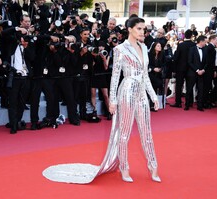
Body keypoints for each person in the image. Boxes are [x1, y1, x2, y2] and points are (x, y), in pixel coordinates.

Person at [42, 17, 161, 184]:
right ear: (130, 29)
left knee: (146, 132)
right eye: (139, 29)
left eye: (144, 29)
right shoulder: (120, 49)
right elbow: (114, 77)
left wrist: (153, 96)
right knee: (124, 133)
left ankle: (153, 166)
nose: (143, 32)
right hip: (126, 92)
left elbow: (145, 75)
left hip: (142, 93)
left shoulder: (144, 48)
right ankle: (124, 167)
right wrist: (112, 100)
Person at [185, 35, 207, 111]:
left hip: (202, 73)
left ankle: (199, 106)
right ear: (201, 41)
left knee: (201, 90)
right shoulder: (192, 49)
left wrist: (203, 70)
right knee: (189, 89)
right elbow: (189, 62)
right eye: (205, 41)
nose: (206, 43)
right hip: (192, 73)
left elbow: (207, 62)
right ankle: (187, 104)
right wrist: (197, 70)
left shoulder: (205, 49)